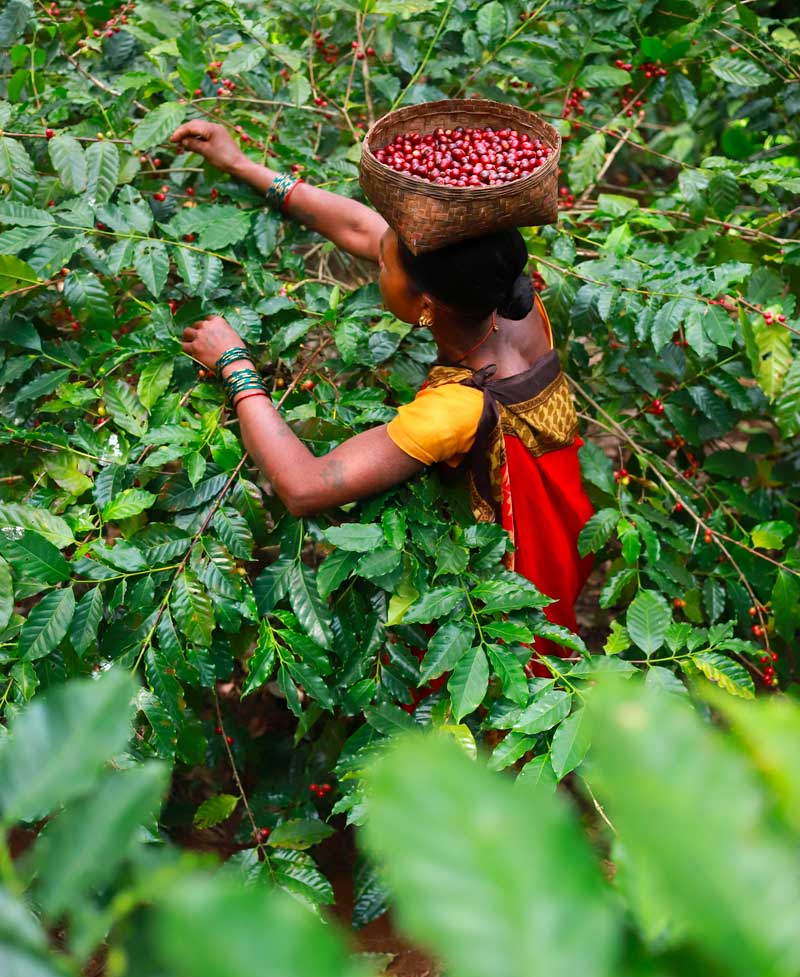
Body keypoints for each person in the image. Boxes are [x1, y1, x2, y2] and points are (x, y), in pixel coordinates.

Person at [170, 121, 594, 665]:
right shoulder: (508, 297)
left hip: (511, 588)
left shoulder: (452, 412)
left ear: (425, 304)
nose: (377, 259)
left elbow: (305, 486)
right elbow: (362, 229)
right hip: (565, 533)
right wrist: (244, 165)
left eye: (386, 264)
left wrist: (235, 364)